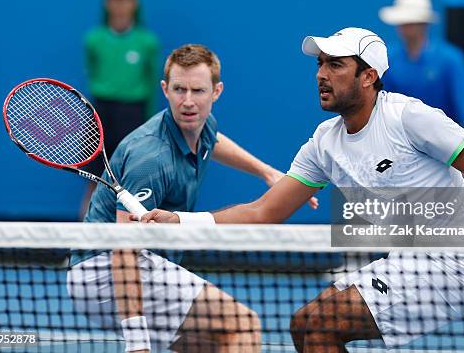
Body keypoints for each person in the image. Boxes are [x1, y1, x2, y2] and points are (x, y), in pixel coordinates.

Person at [140, 28, 464, 352]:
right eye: (319, 65)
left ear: (368, 77)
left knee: (324, 323)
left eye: (335, 65)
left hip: (458, 265)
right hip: (406, 262)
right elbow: (261, 213)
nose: (321, 75)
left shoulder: (410, 119)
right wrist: (181, 221)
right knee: (304, 326)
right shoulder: (324, 142)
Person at [67, 44, 317, 353]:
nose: (188, 102)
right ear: (165, 89)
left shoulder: (200, 123)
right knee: (242, 324)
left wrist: (265, 171)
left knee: (213, 342)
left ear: (216, 91)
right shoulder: (150, 159)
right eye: (179, 90)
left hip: (128, 265)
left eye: (198, 90)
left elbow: (213, 140)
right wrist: (137, 342)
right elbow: (125, 248)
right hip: (104, 271)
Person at [80, 0, 160, 216]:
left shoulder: (147, 42)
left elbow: (149, 84)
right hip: (100, 115)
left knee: (134, 185)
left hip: (133, 116)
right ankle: (81, 249)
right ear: (107, 3)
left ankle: (130, 250)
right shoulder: (93, 40)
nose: (120, 5)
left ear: (134, 3)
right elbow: (94, 73)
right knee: (95, 183)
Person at [378, 0, 464, 139]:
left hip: (444, 148)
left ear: (424, 24)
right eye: (401, 21)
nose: (404, 27)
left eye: (411, 21)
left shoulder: (450, 59)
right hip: (400, 147)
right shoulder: (387, 58)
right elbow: (379, 108)